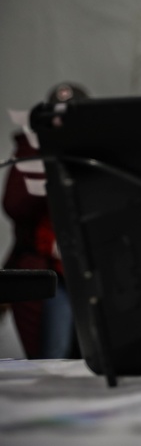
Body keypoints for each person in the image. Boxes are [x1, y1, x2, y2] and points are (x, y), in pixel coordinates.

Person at [3, 82, 89, 359]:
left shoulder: (98, 153)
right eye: (55, 114)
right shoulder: (32, 152)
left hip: (93, 270)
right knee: (53, 355)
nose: (61, 121)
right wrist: (46, 166)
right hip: (52, 275)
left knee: (94, 354)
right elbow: (15, 205)